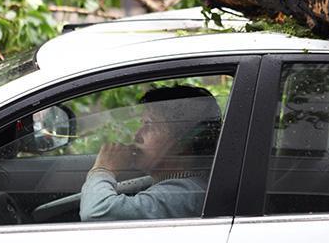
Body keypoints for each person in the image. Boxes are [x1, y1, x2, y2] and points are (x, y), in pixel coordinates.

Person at [79, 85, 222, 221]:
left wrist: (103, 169)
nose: (137, 135)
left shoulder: (184, 195)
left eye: (149, 125)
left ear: (181, 142)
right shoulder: (182, 185)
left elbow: (96, 212)